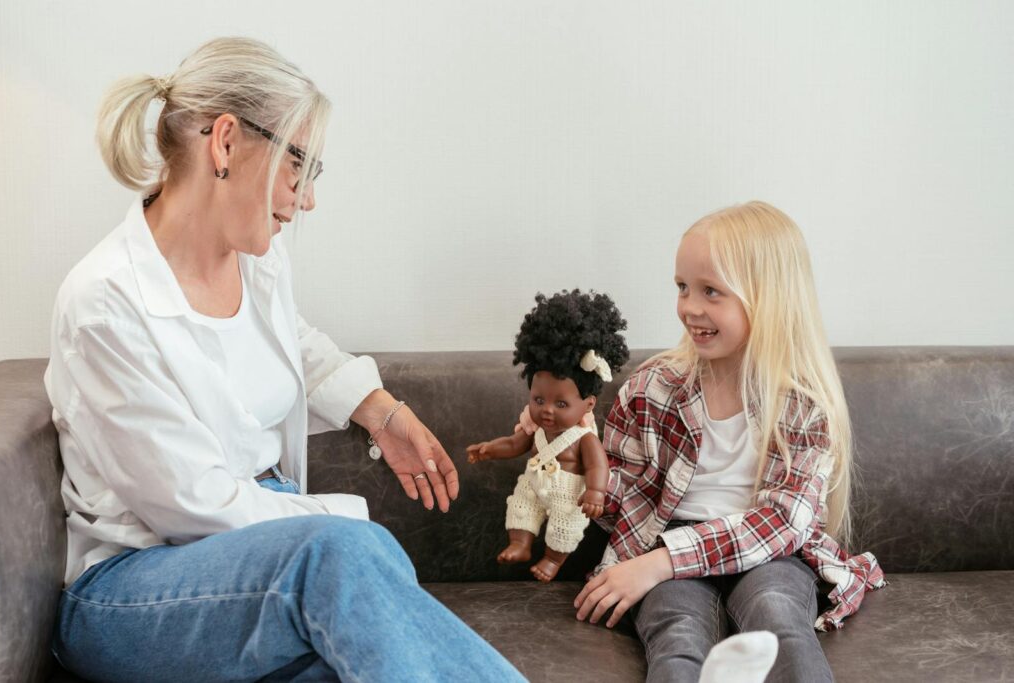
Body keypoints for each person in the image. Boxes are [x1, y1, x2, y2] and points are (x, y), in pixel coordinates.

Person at [44, 37, 525, 682]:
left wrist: (382, 411)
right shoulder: (105, 305)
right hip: (132, 589)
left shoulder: (258, 259)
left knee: (347, 663)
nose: (306, 199)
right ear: (226, 143)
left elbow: (293, 341)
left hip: (256, 571)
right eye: (300, 167)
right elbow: (193, 505)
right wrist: (341, 523)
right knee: (343, 558)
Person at [565, 202, 886, 681]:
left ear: (768, 298)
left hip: (769, 553)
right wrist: (578, 464)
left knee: (779, 619)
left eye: (711, 291)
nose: (690, 307)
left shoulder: (802, 404)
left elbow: (783, 521)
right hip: (664, 543)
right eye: (682, 287)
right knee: (677, 636)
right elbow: (621, 501)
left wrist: (662, 562)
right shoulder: (652, 386)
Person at [466, 289, 629, 582]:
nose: (547, 411)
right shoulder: (535, 426)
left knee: (564, 529)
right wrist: (490, 449)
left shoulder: (583, 436)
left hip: (569, 496)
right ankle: (521, 543)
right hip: (534, 482)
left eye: (561, 404)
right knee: (520, 505)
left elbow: (597, 465)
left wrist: (595, 492)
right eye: (539, 400)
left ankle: (553, 561)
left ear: (588, 404)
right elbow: (515, 443)